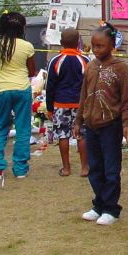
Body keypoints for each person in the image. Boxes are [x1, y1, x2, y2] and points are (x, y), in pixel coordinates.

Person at [74, 23, 128, 226]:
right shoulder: (90, 66)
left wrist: (127, 124)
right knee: (95, 168)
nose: (96, 50)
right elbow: (83, 95)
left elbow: (126, 99)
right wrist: (78, 120)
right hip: (91, 125)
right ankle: (98, 204)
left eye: (100, 46)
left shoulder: (121, 68)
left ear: (111, 45)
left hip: (111, 125)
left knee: (110, 168)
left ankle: (111, 208)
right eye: (93, 46)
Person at [0, 12, 36, 181]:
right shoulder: (27, 46)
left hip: (2, 89)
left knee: (1, 127)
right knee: (23, 129)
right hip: (22, 88)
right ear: (22, 27)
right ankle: (20, 168)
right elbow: (32, 71)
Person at [45, 28, 89, 178]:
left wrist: (50, 108)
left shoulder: (55, 61)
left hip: (60, 104)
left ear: (61, 42)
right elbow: (89, 85)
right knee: (82, 135)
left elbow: (49, 86)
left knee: (63, 135)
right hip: (80, 105)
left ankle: (66, 168)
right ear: (78, 42)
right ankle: (85, 168)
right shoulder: (86, 60)